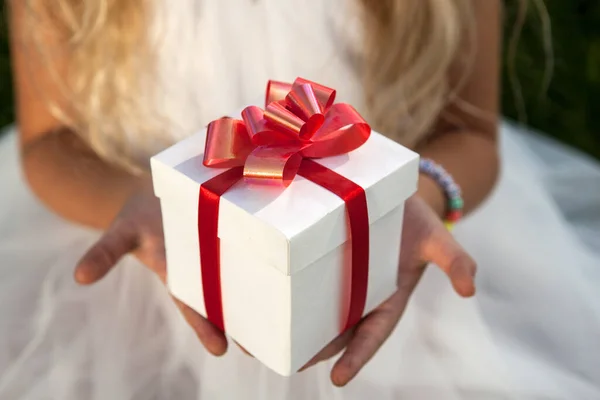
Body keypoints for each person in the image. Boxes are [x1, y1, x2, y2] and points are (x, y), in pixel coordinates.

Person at [2, 0, 599, 398]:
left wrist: (400, 205)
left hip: (376, 254)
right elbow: (50, 141)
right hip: (139, 264)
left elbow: (468, 132)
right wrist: (156, 204)